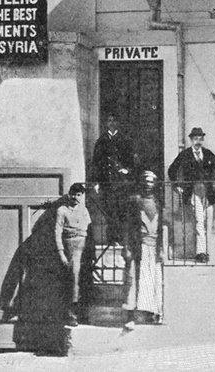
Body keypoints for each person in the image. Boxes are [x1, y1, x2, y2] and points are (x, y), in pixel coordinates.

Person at [167, 127, 215, 262]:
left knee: (207, 222)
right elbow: (172, 170)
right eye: (195, 139)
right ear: (191, 140)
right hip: (194, 192)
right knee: (199, 221)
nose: (198, 141)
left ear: (203, 139)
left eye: (200, 138)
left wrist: (213, 181)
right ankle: (201, 253)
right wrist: (177, 186)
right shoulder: (185, 154)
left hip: (208, 193)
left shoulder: (208, 153)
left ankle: (206, 251)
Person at [122, 170, 164, 330]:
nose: (148, 185)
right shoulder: (135, 201)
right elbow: (127, 226)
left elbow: (160, 227)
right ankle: (130, 316)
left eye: (151, 182)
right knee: (133, 280)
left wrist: (161, 248)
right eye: (146, 181)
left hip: (153, 247)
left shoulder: (157, 202)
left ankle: (153, 313)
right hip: (137, 245)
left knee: (153, 280)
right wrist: (126, 247)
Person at [91, 114, 137, 244]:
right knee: (109, 211)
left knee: (121, 210)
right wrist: (96, 181)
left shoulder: (125, 140)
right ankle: (112, 239)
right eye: (109, 120)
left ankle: (122, 239)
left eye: (113, 120)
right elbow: (96, 162)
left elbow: (132, 161)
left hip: (121, 182)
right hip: (106, 182)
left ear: (117, 123)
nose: (111, 123)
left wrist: (127, 170)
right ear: (106, 123)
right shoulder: (101, 140)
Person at [53, 182, 92, 327]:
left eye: (79, 195)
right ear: (69, 194)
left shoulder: (84, 210)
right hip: (70, 247)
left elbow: (89, 229)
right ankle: (71, 314)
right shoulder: (62, 210)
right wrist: (61, 253)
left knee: (85, 279)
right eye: (74, 194)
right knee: (73, 279)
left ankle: (83, 313)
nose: (76, 197)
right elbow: (57, 233)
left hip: (84, 247)